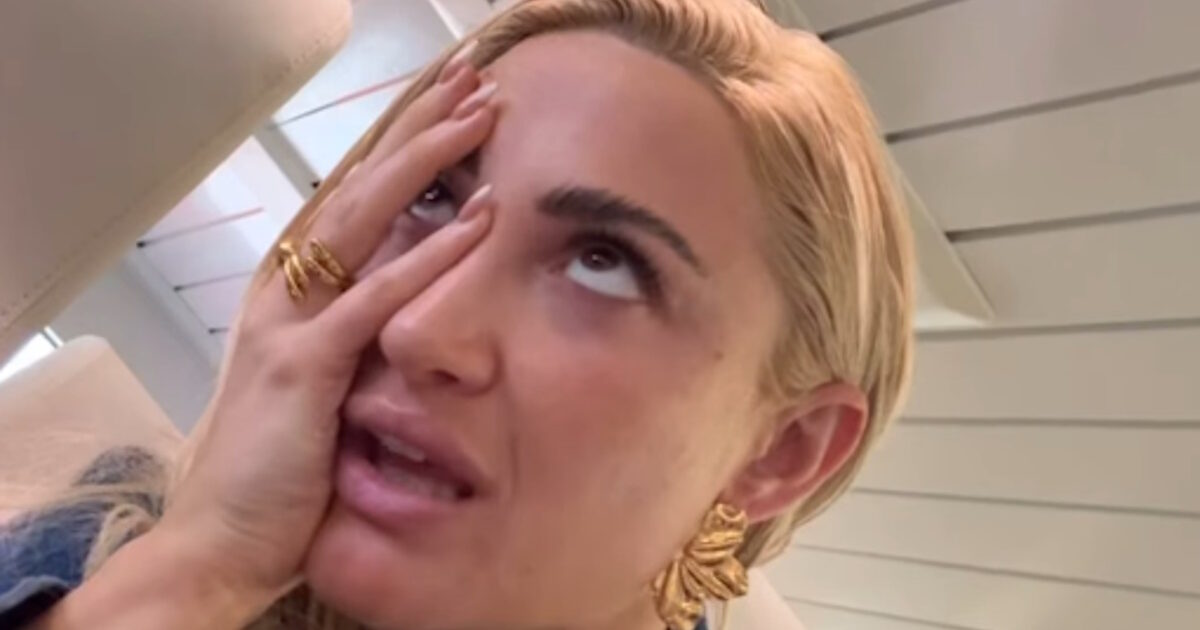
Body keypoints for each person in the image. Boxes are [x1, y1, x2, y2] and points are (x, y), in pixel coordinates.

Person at [0, 0, 914, 628]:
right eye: (433, 195)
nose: (416, 329)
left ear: (782, 451)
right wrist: (197, 571)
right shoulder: (111, 537)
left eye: (603, 263)